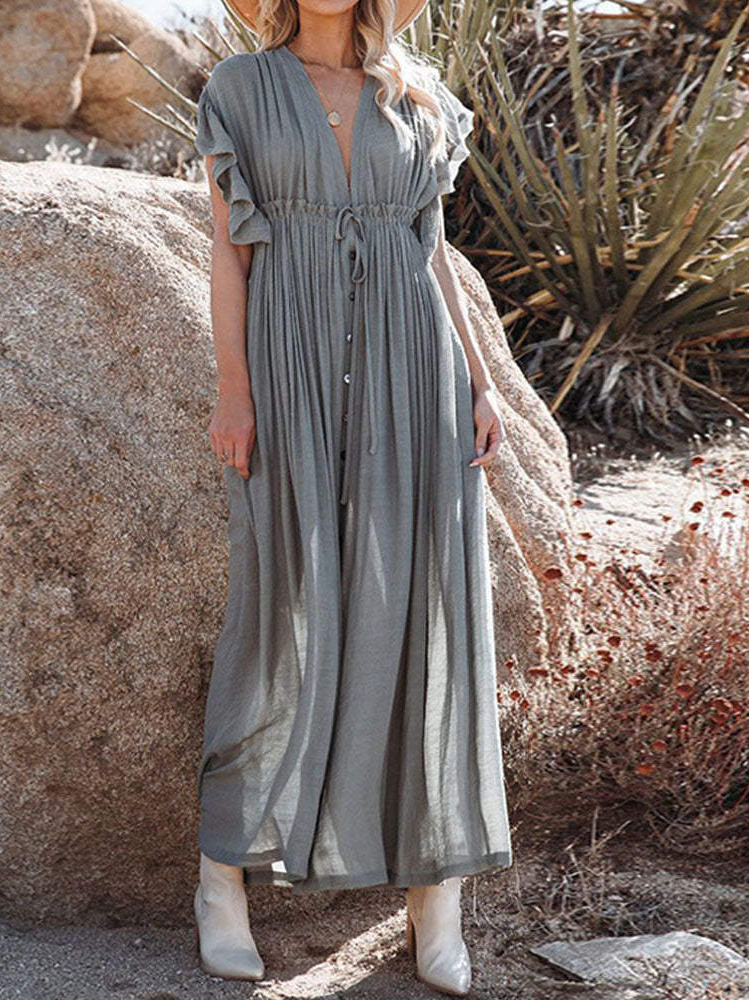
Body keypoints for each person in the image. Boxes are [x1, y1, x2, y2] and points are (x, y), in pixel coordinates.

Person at [191, 0, 513, 994]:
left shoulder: (416, 95)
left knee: (422, 613)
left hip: (413, 372)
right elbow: (229, 246)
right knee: (275, 608)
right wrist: (235, 390)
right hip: (286, 370)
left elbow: (432, 252)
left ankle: (435, 894)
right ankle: (221, 876)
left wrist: (479, 381)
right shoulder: (240, 89)